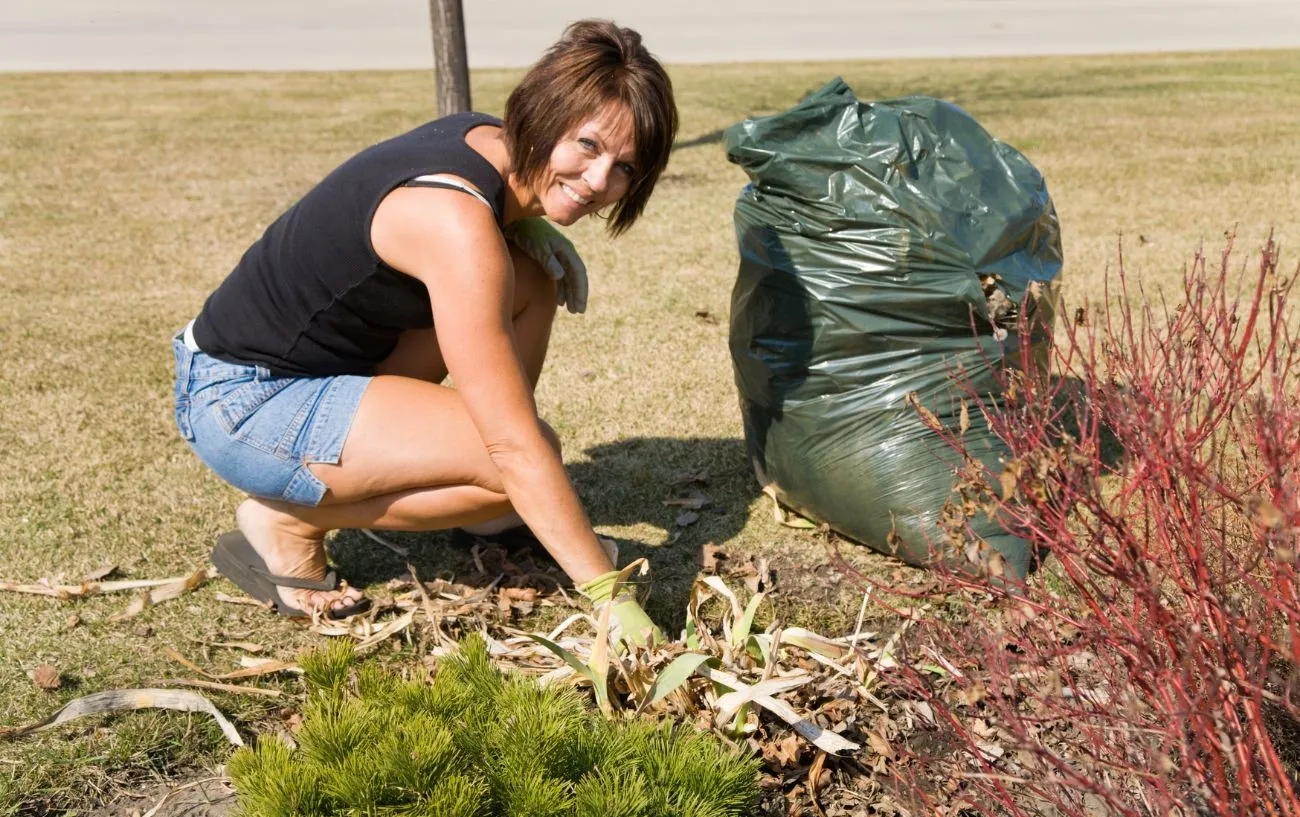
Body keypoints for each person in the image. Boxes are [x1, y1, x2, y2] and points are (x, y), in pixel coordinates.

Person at [170, 19, 677, 645]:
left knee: (531, 287)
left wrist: (527, 223)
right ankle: (290, 523)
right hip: (243, 401)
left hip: (314, 372)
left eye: (625, 166)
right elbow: (514, 445)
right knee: (516, 455)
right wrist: (607, 598)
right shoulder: (456, 224)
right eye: (588, 147)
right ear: (545, 114)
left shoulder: (480, 135)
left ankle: (490, 513)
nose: (601, 183)